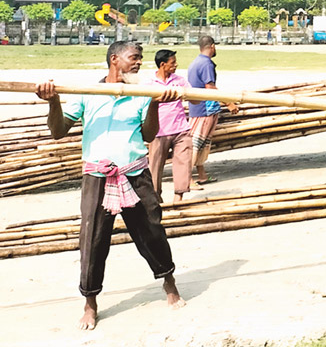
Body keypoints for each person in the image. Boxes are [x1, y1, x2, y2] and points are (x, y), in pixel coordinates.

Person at [34, 41, 186, 331]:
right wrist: (53, 101)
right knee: (92, 239)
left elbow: (149, 134)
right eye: (134, 58)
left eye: (140, 58)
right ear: (114, 60)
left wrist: (154, 102)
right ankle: (90, 303)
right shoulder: (88, 93)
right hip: (97, 177)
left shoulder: (141, 94)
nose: (139, 63)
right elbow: (57, 132)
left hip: (135, 174)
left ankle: (169, 282)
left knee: (152, 230)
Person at [186, 35, 239, 187]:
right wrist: (229, 103)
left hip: (200, 107)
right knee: (196, 144)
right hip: (204, 109)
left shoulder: (196, 62)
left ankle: (202, 175)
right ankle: (188, 180)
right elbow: (210, 88)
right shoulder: (206, 64)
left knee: (203, 144)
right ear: (212, 46)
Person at [146, 49, 192, 203]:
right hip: (159, 131)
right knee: (155, 166)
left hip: (181, 129)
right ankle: (156, 197)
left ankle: (178, 197)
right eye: (173, 63)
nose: (176, 65)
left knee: (183, 162)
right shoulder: (149, 84)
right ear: (163, 65)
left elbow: (195, 98)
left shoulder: (180, 81)